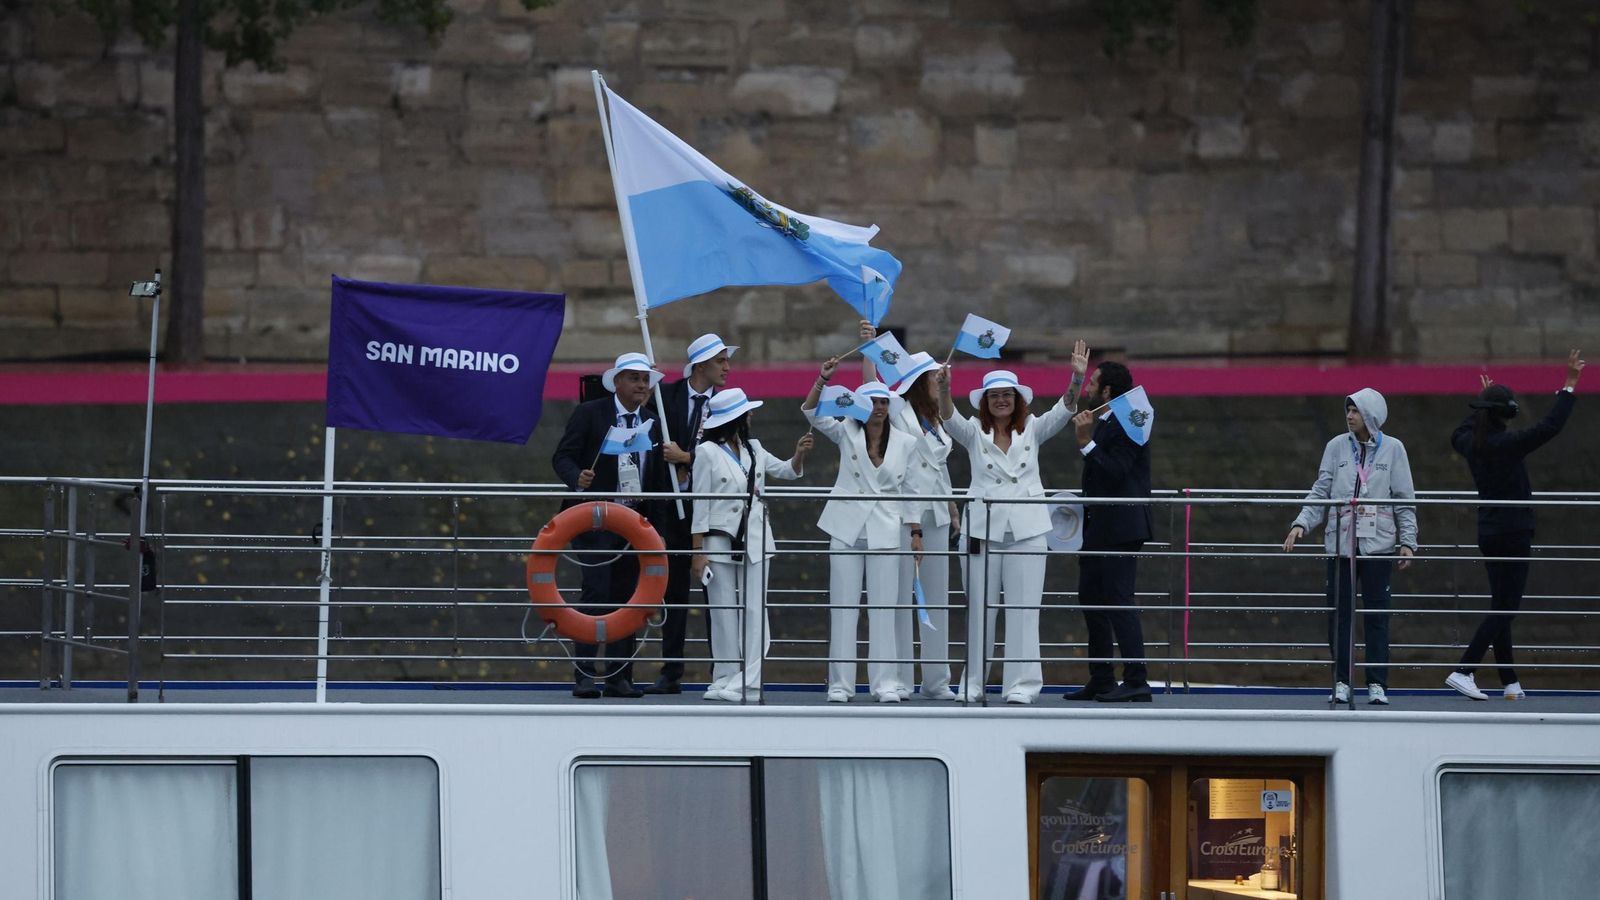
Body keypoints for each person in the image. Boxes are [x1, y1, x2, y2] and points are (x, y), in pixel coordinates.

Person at [939, 342, 1085, 705]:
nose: (1001, 400)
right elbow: (947, 418)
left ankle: (1021, 685)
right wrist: (943, 389)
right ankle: (973, 685)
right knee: (978, 612)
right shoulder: (974, 432)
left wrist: (1077, 378)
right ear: (985, 401)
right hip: (981, 531)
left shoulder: (1033, 429)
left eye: (1008, 395)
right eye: (994, 396)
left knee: (1024, 612)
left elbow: (1064, 409)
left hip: (1027, 531)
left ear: (1018, 399)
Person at [1444, 350, 1583, 701]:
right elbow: (1550, 426)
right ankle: (1464, 670)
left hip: (1488, 532)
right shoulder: (1508, 443)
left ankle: (1510, 681)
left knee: (1499, 604)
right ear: (1504, 416)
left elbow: (1458, 431)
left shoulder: (1471, 443)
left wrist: (1481, 402)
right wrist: (1568, 384)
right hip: (1514, 531)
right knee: (1507, 607)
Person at [1283, 388, 1417, 706]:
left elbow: (1405, 499)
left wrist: (1408, 541)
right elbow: (1322, 490)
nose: (1349, 415)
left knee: (1376, 616)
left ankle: (1377, 684)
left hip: (1379, 545)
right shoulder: (1335, 447)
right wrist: (1301, 522)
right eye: (1348, 410)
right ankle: (1342, 681)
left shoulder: (1394, 450)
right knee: (1340, 616)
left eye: (1355, 410)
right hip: (1340, 545)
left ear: (1370, 414)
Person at [551, 352, 670, 699]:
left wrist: (657, 530)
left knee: (627, 598)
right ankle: (585, 675)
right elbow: (562, 456)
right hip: (594, 521)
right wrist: (578, 478)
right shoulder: (590, 414)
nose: (642, 386)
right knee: (596, 593)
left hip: (634, 523)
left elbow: (658, 480)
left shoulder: (652, 422)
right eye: (634, 378)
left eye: (646, 380)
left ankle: (619, 676)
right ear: (617, 382)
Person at [803, 356, 920, 703]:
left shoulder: (906, 443)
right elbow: (811, 413)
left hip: (886, 529)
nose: (879, 408)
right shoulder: (845, 431)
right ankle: (841, 684)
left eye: (884, 402)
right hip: (846, 527)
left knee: (884, 610)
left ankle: (884, 684)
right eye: (872, 402)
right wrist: (822, 380)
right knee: (843, 608)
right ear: (860, 405)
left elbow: (913, 490)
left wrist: (916, 533)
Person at [688, 388, 812, 701]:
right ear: (735, 419)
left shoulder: (754, 448)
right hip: (718, 540)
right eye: (747, 412)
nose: (752, 416)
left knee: (756, 611)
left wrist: (798, 454)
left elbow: (786, 471)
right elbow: (700, 503)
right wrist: (697, 552)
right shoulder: (706, 453)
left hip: (755, 539)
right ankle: (726, 677)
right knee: (723, 611)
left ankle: (749, 682)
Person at [859, 322, 957, 700]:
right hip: (903, 514)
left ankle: (937, 680)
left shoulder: (938, 418)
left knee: (937, 598)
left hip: (936, 513)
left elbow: (940, 465)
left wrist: (952, 506)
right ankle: (899, 677)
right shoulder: (898, 412)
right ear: (918, 381)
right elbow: (871, 391)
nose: (938, 381)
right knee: (901, 597)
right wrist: (869, 348)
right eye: (933, 377)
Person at [649, 333, 737, 694]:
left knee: (718, 595)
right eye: (721, 361)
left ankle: (724, 672)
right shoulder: (665, 396)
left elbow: (735, 452)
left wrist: (687, 458)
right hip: (672, 509)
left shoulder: (730, 403)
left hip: (712, 512)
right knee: (673, 592)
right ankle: (671, 671)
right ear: (700, 365)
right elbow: (645, 441)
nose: (727, 368)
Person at [1067, 359, 1154, 703]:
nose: (1086, 389)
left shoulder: (1131, 421)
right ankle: (1101, 678)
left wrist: (1085, 443)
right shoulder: (1108, 419)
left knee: (1119, 601)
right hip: (1099, 526)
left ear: (1106, 391)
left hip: (1121, 526)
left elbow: (1116, 470)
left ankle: (1137, 679)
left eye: (1091, 383)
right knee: (1091, 598)